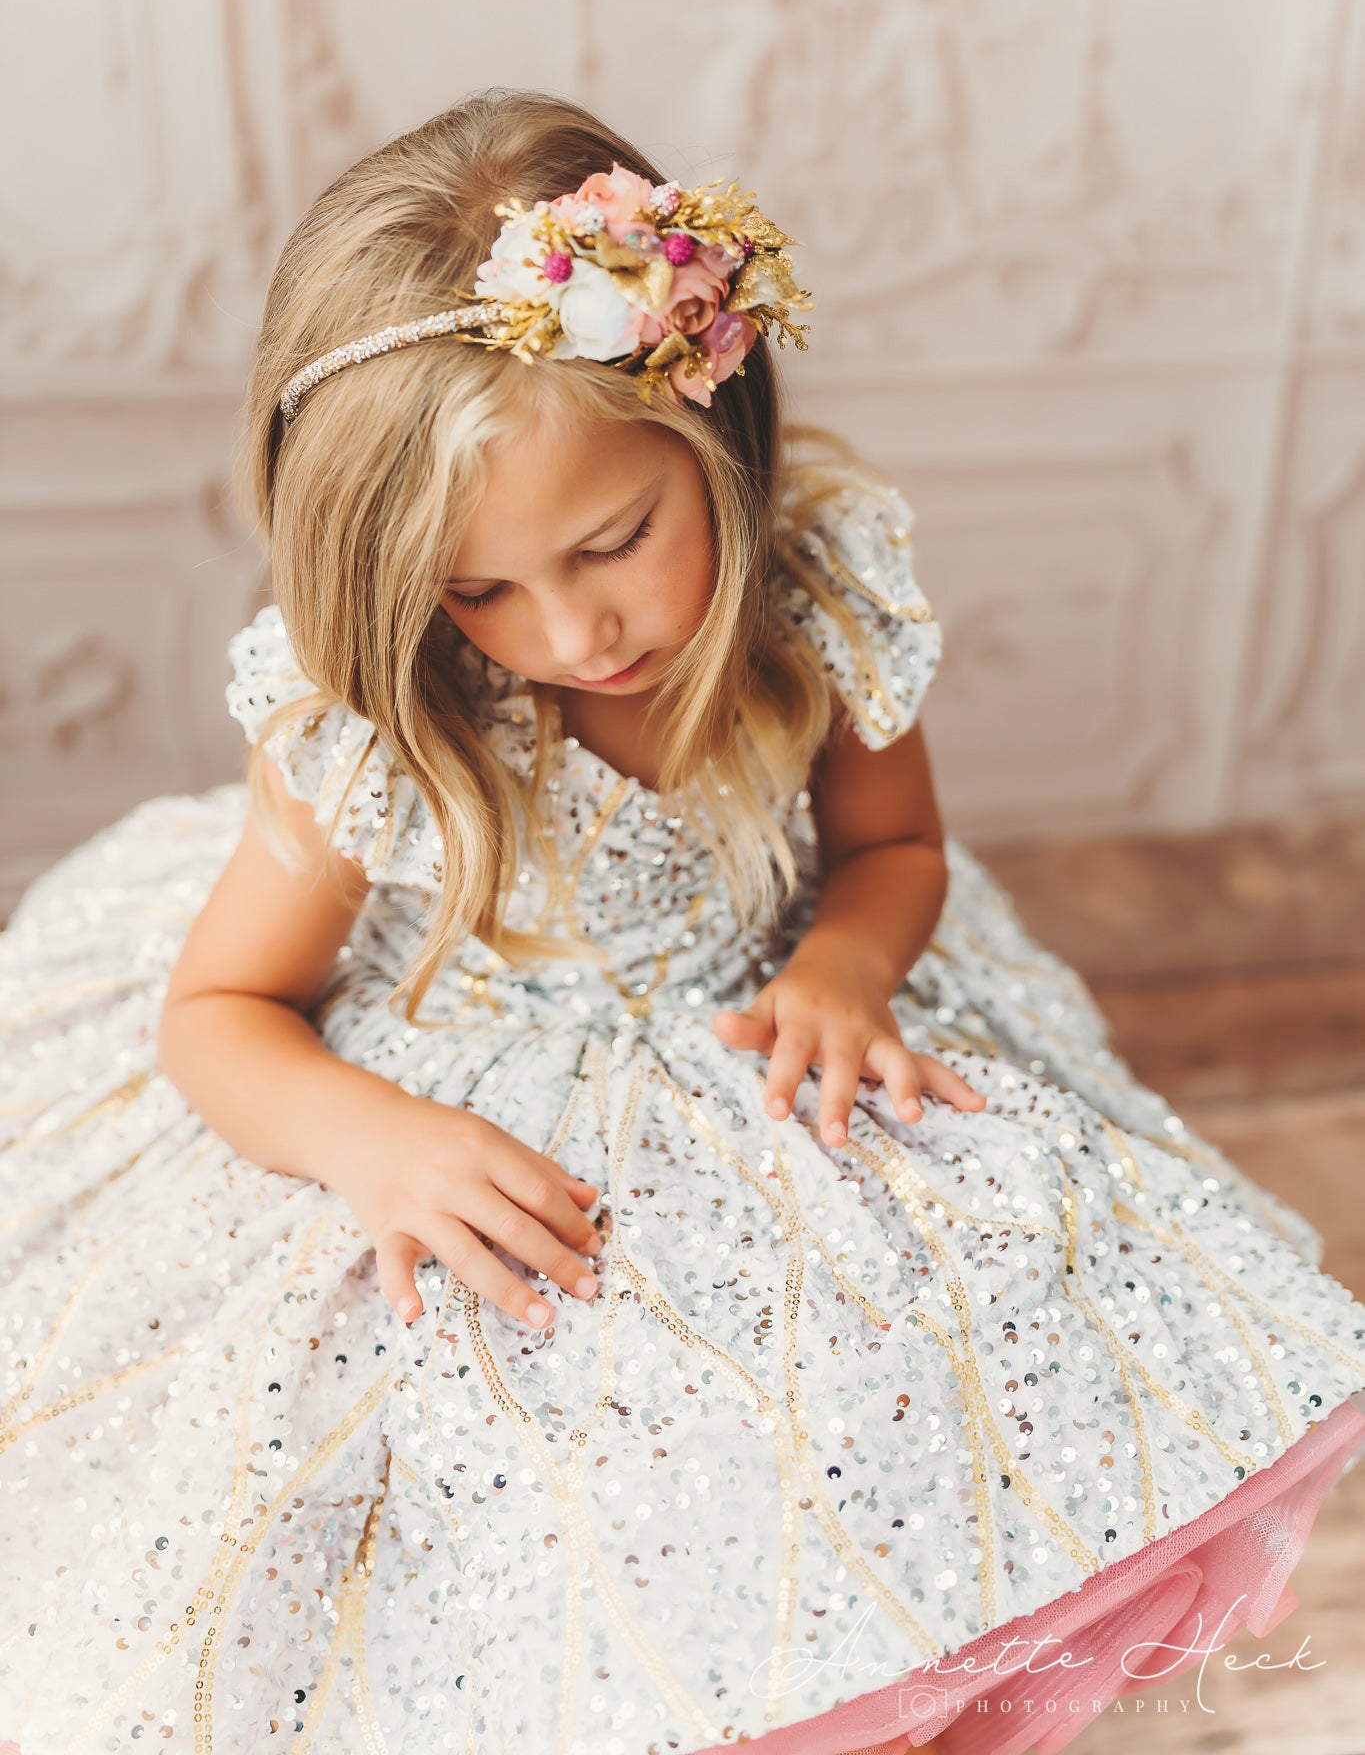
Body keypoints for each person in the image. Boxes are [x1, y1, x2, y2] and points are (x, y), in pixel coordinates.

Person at [2, 90, 1363, 1755]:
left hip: (757, 1022)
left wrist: (849, 967)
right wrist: (370, 1142)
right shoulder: (378, 721)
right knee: (518, 1461)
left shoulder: (810, 600)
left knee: (894, 1375)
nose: (570, 630)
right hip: (470, 1078)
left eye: (614, 542)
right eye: (478, 591)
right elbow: (219, 1011)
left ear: (712, 432)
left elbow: (896, 844)